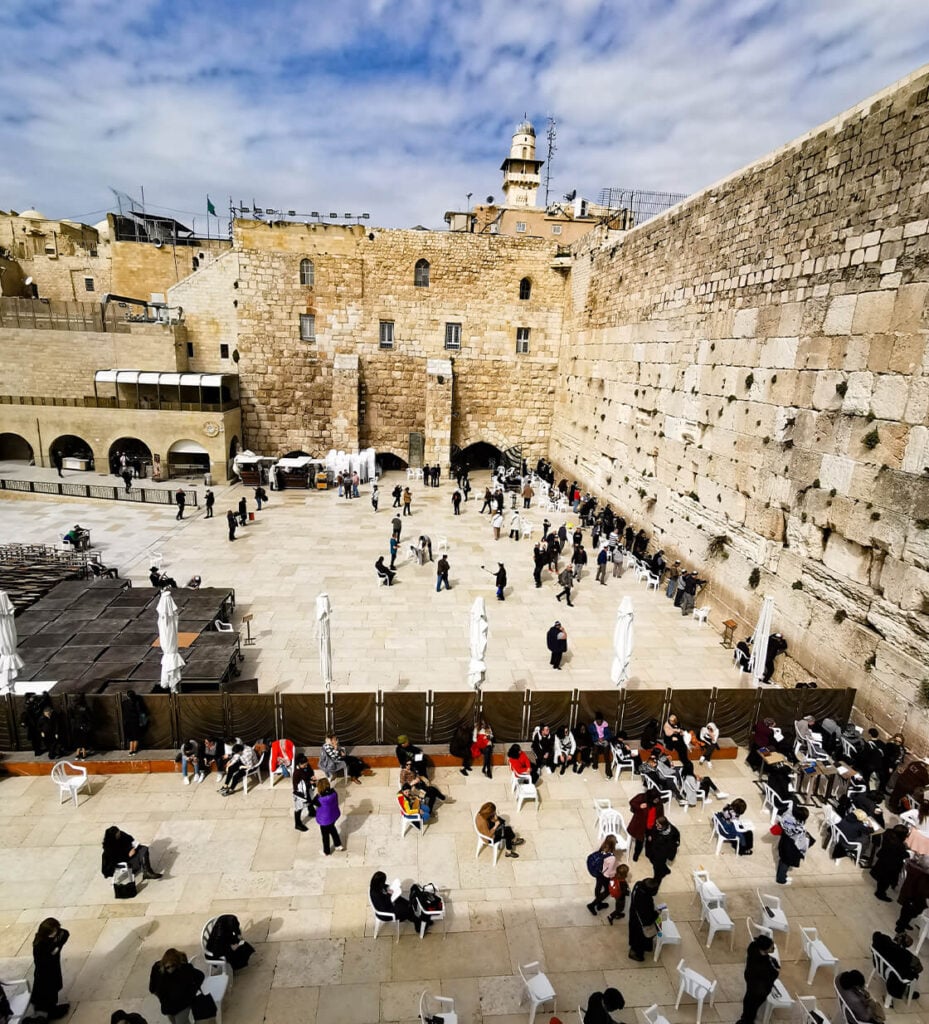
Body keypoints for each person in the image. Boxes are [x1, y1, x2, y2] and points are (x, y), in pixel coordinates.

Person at [26, 917, 70, 1023]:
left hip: (53, 970)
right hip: (44, 974)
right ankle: (44, 1015)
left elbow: (65, 933)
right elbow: (44, 960)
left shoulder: (55, 937)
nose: (55, 934)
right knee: (45, 993)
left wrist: (57, 946)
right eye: (53, 932)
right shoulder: (40, 945)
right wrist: (55, 949)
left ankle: (52, 1009)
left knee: (53, 990)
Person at [148, 948, 204, 1024]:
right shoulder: (157, 969)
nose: (170, 969)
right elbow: (152, 989)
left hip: (183, 1005)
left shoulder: (184, 969)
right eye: (167, 967)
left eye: (172, 966)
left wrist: (191, 993)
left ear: (177, 964)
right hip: (168, 1006)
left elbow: (200, 976)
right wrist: (161, 997)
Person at [737, 935, 780, 1024]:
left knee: (748, 1000)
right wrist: (775, 968)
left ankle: (745, 1017)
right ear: (764, 949)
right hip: (759, 989)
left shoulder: (752, 948)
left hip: (750, 980)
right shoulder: (764, 965)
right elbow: (774, 974)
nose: (774, 948)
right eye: (771, 947)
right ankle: (747, 1020)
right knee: (753, 1005)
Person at [871, 931, 922, 1000]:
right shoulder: (905, 955)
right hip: (892, 975)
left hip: (879, 966)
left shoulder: (880, 941)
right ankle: (906, 992)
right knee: (914, 974)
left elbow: (878, 936)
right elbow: (919, 969)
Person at [871, 824, 910, 901]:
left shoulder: (888, 835)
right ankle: (880, 894)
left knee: (882, 879)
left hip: (883, 860)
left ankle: (881, 891)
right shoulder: (899, 845)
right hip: (891, 865)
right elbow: (904, 855)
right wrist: (907, 852)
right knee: (885, 881)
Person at [776, 806, 811, 884]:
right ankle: (781, 879)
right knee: (785, 863)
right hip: (790, 847)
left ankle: (783, 876)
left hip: (783, 843)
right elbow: (801, 841)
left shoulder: (787, 820)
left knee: (782, 861)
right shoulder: (799, 829)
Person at [628, 876, 660, 961]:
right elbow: (647, 918)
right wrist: (656, 914)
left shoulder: (638, 885)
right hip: (640, 922)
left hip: (634, 915)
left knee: (634, 934)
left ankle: (635, 948)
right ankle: (637, 953)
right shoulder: (645, 901)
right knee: (640, 939)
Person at [587, 834, 619, 915]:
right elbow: (608, 873)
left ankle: (599, 903)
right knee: (607, 891)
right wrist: (615, 873)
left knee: (598, 887)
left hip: (598, 872)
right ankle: (593, 905)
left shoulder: (601, 847)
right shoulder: (612, 858)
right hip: (604, 875)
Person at [628, 790, 663, 862]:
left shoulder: (659, 803)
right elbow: (632, 802)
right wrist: (639, 806)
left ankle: (648, 853)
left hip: (652, 826)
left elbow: (661, 814)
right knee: (639, 841)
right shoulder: (642, 797)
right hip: (641, 825)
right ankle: (636, 854)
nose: (657, 800)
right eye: (655, 799)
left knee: (650, 840)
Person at [645, 815, 680, 885]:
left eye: (658, 824)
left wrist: (669, 854)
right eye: (656, 823)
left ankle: (656, 880)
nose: (656, 825)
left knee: (657, 867)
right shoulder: (658, 827)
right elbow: (653, 831)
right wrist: (650, 836)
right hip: (654, 849)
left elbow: (675, 843)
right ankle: (665, 870)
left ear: (664, 825)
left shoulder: (672, 833)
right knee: (652, 859)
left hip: (662, 853)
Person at [312, 776, 343, 854]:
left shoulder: (319, 798)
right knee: (332, 829)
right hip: (333, 815)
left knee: (325, 836)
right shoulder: (334, 793)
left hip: (324, 819)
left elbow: (314, 802)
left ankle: (326, 851)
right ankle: (338, 845)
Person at [292, 752, 315, 831]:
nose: (306, 766)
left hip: (307, 788)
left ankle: (311, 811)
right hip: (300, 792)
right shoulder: (297, 773)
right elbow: (299, 784)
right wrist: (309, 782)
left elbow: (310, 771)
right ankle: (297, 824)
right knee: (299, 807)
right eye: (304, 765)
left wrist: (312, 776)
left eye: (306, 764)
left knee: (310, 799)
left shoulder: (306, 766)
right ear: (299, 764)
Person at [122, 690, 147, 756]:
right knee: (136, 736)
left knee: (130, 737)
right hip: (135, 721)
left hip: (127, 722)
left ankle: (131, 750)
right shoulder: (137, 703)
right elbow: (142, 711)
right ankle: (134, 750)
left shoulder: (124, 703)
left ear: (127, 696)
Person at [589, 712, 614, 777]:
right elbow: (590, 735)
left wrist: (603, 738)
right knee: (595, 752)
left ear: (602, 720)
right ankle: (595, 766)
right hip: (597, 741)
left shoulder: (605, 725)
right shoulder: (592, 726)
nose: (599, 722)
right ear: (596, 720)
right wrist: (597, 738)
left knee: (606, 755)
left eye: (600, 721)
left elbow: (610, 735)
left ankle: (609, 773)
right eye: (598, 721)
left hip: (604, 741)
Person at [68, 695, 93, 761]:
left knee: (82, 740)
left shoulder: (83, 708)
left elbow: (89, 718)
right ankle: (80, 753)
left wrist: (86, 726)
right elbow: (71, 717)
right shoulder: (73, 708)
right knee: (79, 740)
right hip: (77, 726)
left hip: (82, 726)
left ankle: (82, 753)